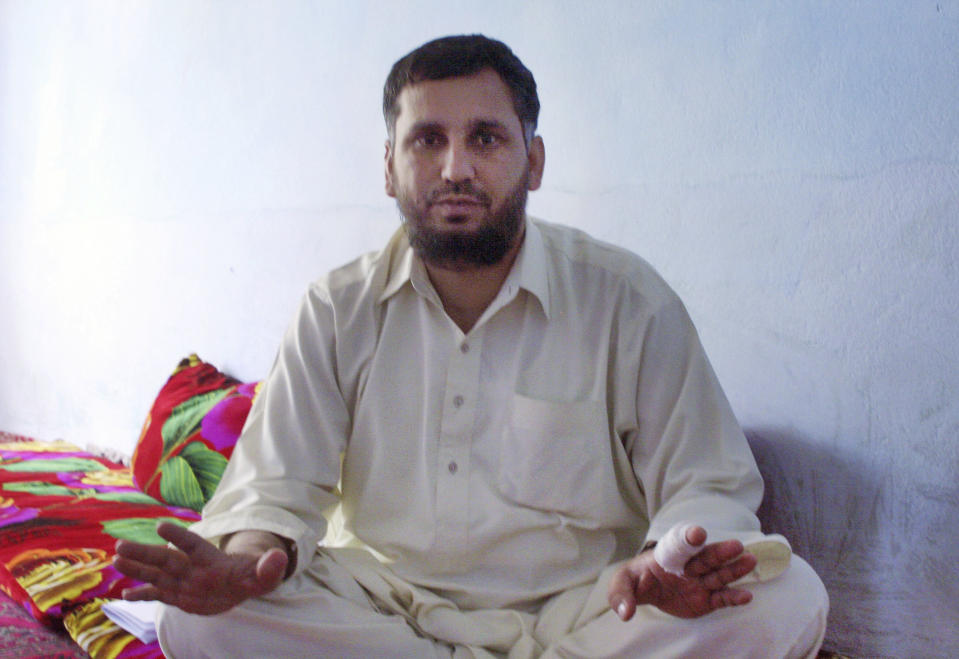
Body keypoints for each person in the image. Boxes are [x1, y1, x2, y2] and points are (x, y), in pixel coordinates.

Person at [114, 34, 828, 658]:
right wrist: (243, 564)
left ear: (534, 161)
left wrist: (663, 559)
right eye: (427, 139)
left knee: (788, 595)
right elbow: (274, 488)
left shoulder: (626, 299)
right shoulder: (336, 307)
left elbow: (705, 479)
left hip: (589, 608)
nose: (455, 167)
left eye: (485, 138)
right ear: (389, 165)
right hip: (388, 610)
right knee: (199, 620)